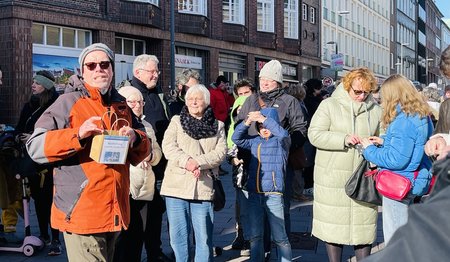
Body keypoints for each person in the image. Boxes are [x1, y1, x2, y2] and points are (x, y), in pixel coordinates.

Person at [26, 43, 150, 262]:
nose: (98, 69)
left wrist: (135, 138)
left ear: (112, 69)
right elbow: (35, 146)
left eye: (104, 64)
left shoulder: (121, 105)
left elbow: (143, 150)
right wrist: (78, 134)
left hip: (115, 210)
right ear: (82, 71)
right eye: (91, 65)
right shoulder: (67, 102)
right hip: (82, 212)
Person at [307, 67, 382, 262]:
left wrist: (378, 142)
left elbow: (384, 137)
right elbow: (315, 134)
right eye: (358, 91)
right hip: (333, 177)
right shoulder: (329, 105)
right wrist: (343, 139)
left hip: (364, 177)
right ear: (348, 86)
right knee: (334, 227)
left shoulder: (376, 110)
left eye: (366, 92)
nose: (362, 96)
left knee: (364, 227)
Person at [236, 60, 308, 240]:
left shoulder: (289, 101)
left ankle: (282, 246)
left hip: (280, 163)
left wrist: (285, 148)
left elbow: (300, 129)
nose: (265, 83)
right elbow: (238, 125)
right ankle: (261, 250)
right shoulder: (251, 100)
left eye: (269, 79)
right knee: (255, 209)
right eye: (262, 79)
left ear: (278, 81)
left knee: (281, 208)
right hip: (253, 161)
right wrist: (243, 152)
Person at [361, 74, 433, 245]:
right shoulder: (421, 114)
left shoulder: (403, 120)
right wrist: (384, 140)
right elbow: (413, 144)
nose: (382, 100)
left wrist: (368, 150)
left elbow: (396, 160)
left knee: (395, 238)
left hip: (399, 182)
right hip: (416, 178)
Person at [160, 84, 227, 262]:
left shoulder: (218, 124)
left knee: (204, 237)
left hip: (204, 185)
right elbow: (168, 147)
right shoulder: (176, 121)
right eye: (190, 99)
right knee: (178, 235)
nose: (193, 102)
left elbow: (220, 153)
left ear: (206, 101)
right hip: (176, 186)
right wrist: (187, 162)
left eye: (198, 98)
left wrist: (198, 162)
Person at [232, 107, 292, 262]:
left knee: (280, 237)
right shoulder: (254, 142)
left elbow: (283, 134)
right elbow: (236, 138)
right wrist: (247, 122)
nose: (264, 129)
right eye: (260, 127)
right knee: (255, 236)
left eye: (266, 126)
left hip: (273, 194)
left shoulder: (281, 142)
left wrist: (264, 119)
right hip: (254, 195)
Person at [129, 54, 172, 261]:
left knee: (156, 212)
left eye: (157, 71)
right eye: (152, 71)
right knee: (139, 216)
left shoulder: (157, 93)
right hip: (140, 166)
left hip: (160, 161)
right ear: (138, 72)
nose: (156, 75)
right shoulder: (129, 93)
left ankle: (155, 251)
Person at [113, 86, 163, 262]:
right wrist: (136, 155)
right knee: (121, 240)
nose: (136, 105)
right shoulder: (116, 124)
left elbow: (158, 154)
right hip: (126, 190)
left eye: (139, 101)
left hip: (145, 190)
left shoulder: (146, 125)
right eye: (131, 102)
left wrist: (148, 155)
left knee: (137, 237)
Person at [15, 70, 62, 255]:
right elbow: (19, 127)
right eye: (33, 81)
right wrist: (20, 137)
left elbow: (60, 132)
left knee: (52, 200)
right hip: (32, 161)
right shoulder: (29, 105)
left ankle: (56, 239)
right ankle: (43, 235)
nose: (33, 85)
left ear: (46, 86)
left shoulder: (56, 105)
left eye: (37, 82)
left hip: (51, 162)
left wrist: (35, 137)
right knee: (38, 200)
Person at [227, 78, 255, 255]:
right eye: (240, 94)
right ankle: (241, 234)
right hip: (239, 164)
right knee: (241, 200)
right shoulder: (235, 113)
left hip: (257, 163)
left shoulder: (259, 110)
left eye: (247, 93)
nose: (243, 97)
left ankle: (255, 237)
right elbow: (230, 136)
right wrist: (232, 158)